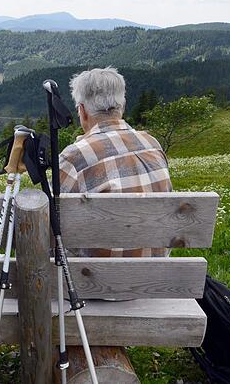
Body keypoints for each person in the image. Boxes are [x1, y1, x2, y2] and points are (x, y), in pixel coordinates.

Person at [57, 67, 173, 378]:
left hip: (95, 286)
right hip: (153, 279)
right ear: (121, 106)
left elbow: (50, 228)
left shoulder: (73, 157)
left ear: (82, 112)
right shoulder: (153, 144)